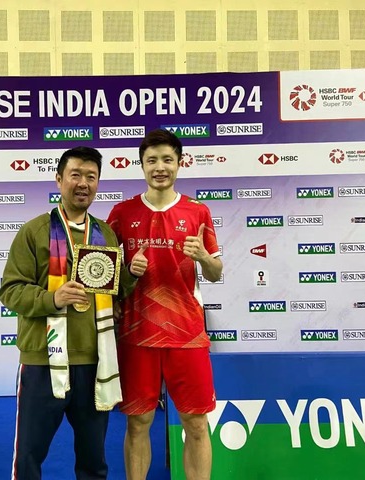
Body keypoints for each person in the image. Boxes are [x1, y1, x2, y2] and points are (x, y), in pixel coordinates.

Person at [0, 146, 146, 480]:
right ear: (59, 180)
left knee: (94, 463)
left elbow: (112, 292)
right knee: (29, 458)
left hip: (94, 362)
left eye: (91, 177)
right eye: (75, 175)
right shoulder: (34, 231)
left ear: (98, 184)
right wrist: (53, 298)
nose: (83, 183)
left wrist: (130, 275)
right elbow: (10, 290)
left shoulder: (105, 234)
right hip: (43, 361)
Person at [107, 129, 223, 480]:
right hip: (136, 334)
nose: (160, 167)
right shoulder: (122, 212)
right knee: (138, 422)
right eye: (152, 160)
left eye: (167, 160)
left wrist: (203, 257)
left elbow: (216, 273)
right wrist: (126, 272)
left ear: (179, 163)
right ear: (142, 165)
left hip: (186, 334)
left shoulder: (198, 211)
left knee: (196, 422)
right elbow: (104, 274)